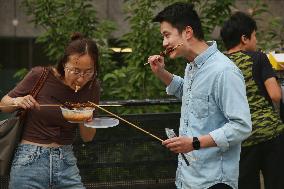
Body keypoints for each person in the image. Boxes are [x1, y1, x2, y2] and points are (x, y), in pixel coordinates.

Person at [147, 2, 252, 189]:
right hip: (188, 178)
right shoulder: (192, 65)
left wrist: (194, 143)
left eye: (167, 35)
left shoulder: (224, 71)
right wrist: (162, 73)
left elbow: (241, 126)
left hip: (214, 181)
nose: (164, 43)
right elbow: (188, 93)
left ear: (187, 32)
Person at [0, 32, 100, 189]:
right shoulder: (40, 75)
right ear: (63, 64)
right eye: (75, 71)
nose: (81, 78)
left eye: (88, 72)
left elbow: (88, 137)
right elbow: (3, 104)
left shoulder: (92, 87)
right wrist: (17, 101)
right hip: (29, 160)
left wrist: (83, 116)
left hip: (66, 161)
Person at [220, 12, 284, 189]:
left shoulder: (220, 64)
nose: (256, 41)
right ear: (244, 38)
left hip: (241, 139)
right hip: (269, 134)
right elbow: (275, 95)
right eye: (255, 35)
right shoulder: (259, 58)